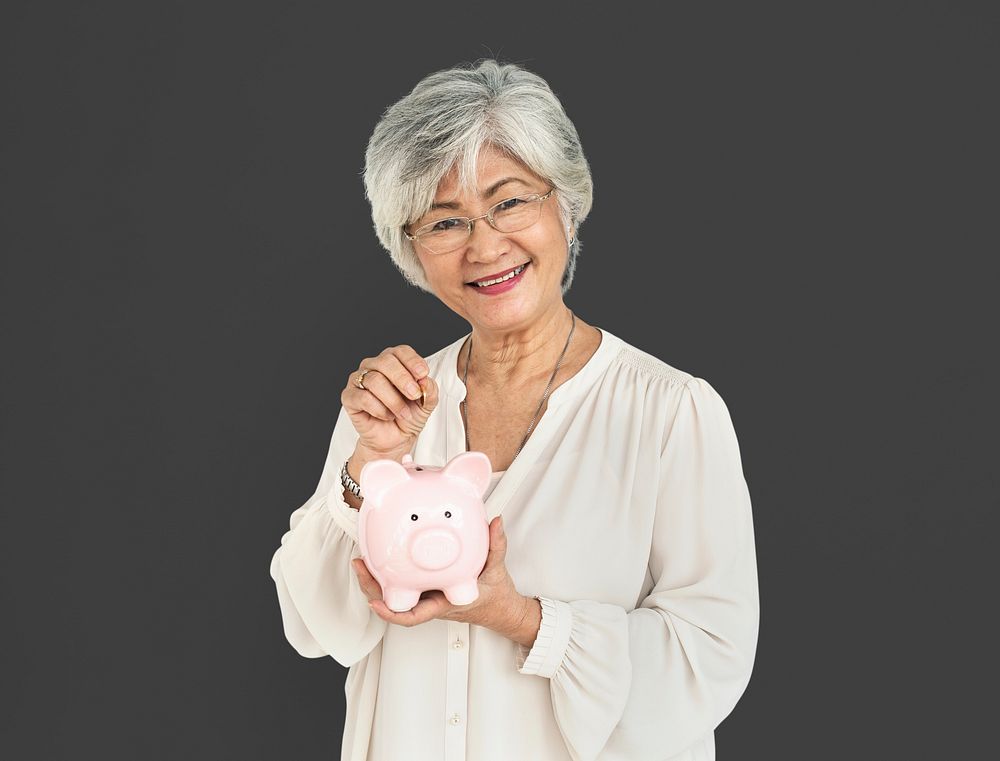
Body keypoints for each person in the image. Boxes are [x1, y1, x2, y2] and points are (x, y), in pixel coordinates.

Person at [269, 58, 759, 761]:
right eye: (445, 221)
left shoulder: (670, 412)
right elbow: (316, 625)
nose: (485, 245)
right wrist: (369, 460)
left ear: (564, 201)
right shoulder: (392, 402)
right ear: (411, 248)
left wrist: (523, 619)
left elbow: (707, 662)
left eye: (510, 202)